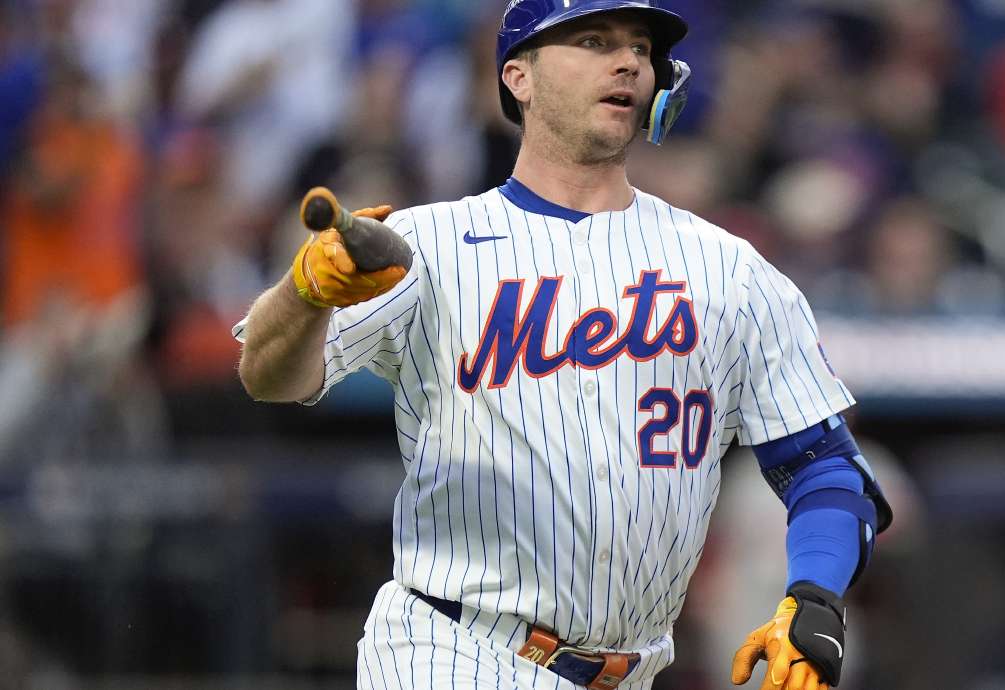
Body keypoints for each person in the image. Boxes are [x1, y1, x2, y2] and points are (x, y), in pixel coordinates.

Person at [234, 2, 891, 688]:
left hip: (630, 669)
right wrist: (304, 295)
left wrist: (814, 595)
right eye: (593, 40)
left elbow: (825, 467)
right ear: (518, 76)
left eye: (640, 46)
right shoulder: (427, 247)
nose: (628, 60)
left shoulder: (730, 270)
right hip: (452, 649)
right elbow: (268, 375)